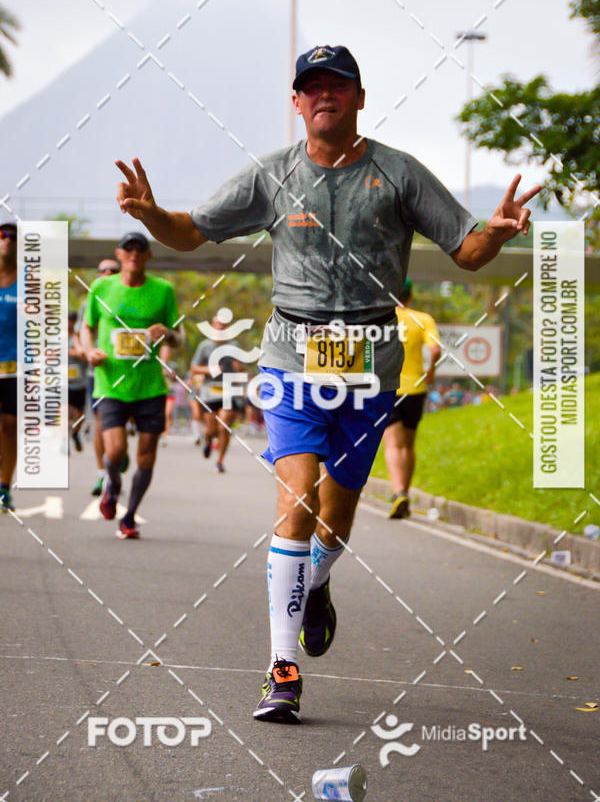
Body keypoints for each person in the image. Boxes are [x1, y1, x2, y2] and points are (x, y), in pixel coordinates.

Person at [114, 44, 540, 721]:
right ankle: (282, 670)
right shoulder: (271, 176)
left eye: (336, 85)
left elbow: (466, 251)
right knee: (296, 499)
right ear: (296, 103)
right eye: (310, 87)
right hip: (289, 360)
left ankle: (317, 582)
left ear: (360, 97)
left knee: (335, 522)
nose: (323, 96)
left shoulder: (399, 174)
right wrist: (151, 216)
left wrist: (498, 232)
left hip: (370, 366)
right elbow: (191, 233)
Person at [80, 232, 180, 539]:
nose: (134, 253)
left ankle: (130, 516)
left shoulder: (163, 290)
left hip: (149, 386)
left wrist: (168, 333)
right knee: (116, 452)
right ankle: (113, 484)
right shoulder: (101, 286)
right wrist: (89, 351)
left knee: (146, 457)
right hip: (110, 384)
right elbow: (87, 327)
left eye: (140, 249)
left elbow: (178, 337)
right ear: (119, 254)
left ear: (148, 255)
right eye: (128, 248)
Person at [382, 278, 441, 519]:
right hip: (415, 389)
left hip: (389, 387)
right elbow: (435, 349)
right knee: (408, 444)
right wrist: (431, 371)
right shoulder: (423, 319)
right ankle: (405, 490)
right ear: (410, 296)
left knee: (393, 444)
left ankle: (398, 494)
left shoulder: (382, 318)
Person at [76, 258, 124, 495]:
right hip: (99, 373)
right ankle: (101, 475)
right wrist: (88, 352)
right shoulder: (90, 302)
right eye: (102, 270)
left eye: (113, 271)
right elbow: (81, 333)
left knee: (123, 427)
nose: (107, 273)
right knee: (100, 424)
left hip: (130, 373)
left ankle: (117, 455)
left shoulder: (131, 296)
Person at [189, 312, 244, 473]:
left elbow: (241, 367)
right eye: (217, 324)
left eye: (223, 324)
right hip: (210, 392)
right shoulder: (205, 346)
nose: (220, 326)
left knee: (224, 426)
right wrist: (209, 369)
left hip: (228, 390)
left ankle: (220, 461)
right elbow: (194, 367)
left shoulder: (234, 346)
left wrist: (238, 366)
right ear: (213, 326)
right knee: (212, 430)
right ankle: (208, 440)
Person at [0, 221, 17, 513]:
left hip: (16, 366)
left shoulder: (30, 279)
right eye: (2, 235)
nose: (8, 240)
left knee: (10, 426)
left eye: (14, 237)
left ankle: (4, 488)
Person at [68, 311, 88, 452]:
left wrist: (76, 352)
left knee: (80, 415)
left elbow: (87, 355)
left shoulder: (82, 337)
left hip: (81, 382)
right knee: (66, 410)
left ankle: (75, 432)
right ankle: (64, 440)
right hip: (64, 382)